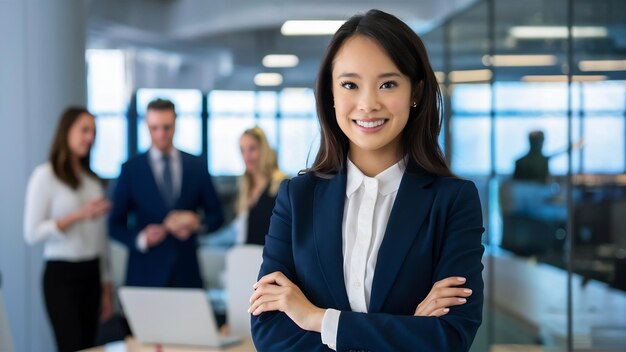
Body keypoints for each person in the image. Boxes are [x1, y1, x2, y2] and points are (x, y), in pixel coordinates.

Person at [249, 9, 484, 351]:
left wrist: (317, 318)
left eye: (388, 84)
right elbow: (270, 333)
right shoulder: (297, 198)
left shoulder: (453, 202)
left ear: (415, 92)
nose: (368, 104)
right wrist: (408, 330)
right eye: (350, 84)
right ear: (330, 94)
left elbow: (450, 338)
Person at [23, 107, 113, 352]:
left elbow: (100, 239)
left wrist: (107, 287)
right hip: (62, 275)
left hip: (92, 273)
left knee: (90, 346)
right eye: (84, 130)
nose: (90, 137)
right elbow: (31, 233)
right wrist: (78, 215)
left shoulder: (92, 181)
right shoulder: (45, 176)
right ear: (66, 132)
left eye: (93, 131)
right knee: (70, 345)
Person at [108, 98, 224, 288]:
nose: (161, 134)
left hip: (186, 273)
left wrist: (196, 222)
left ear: (175, 124)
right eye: (154, 128)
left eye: (166, 127)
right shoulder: (131, 169)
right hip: (145, 274)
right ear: (146, 125)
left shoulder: (196, 166)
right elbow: (114, 224)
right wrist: (141, 239)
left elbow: (217, 215)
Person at [234, 127, 287, 245]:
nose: (246, 157)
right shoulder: (245, 187)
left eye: (252, 149)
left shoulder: (280, 185)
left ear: (264, 150)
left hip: (272, 259)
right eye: (242, 150)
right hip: (248, 257)